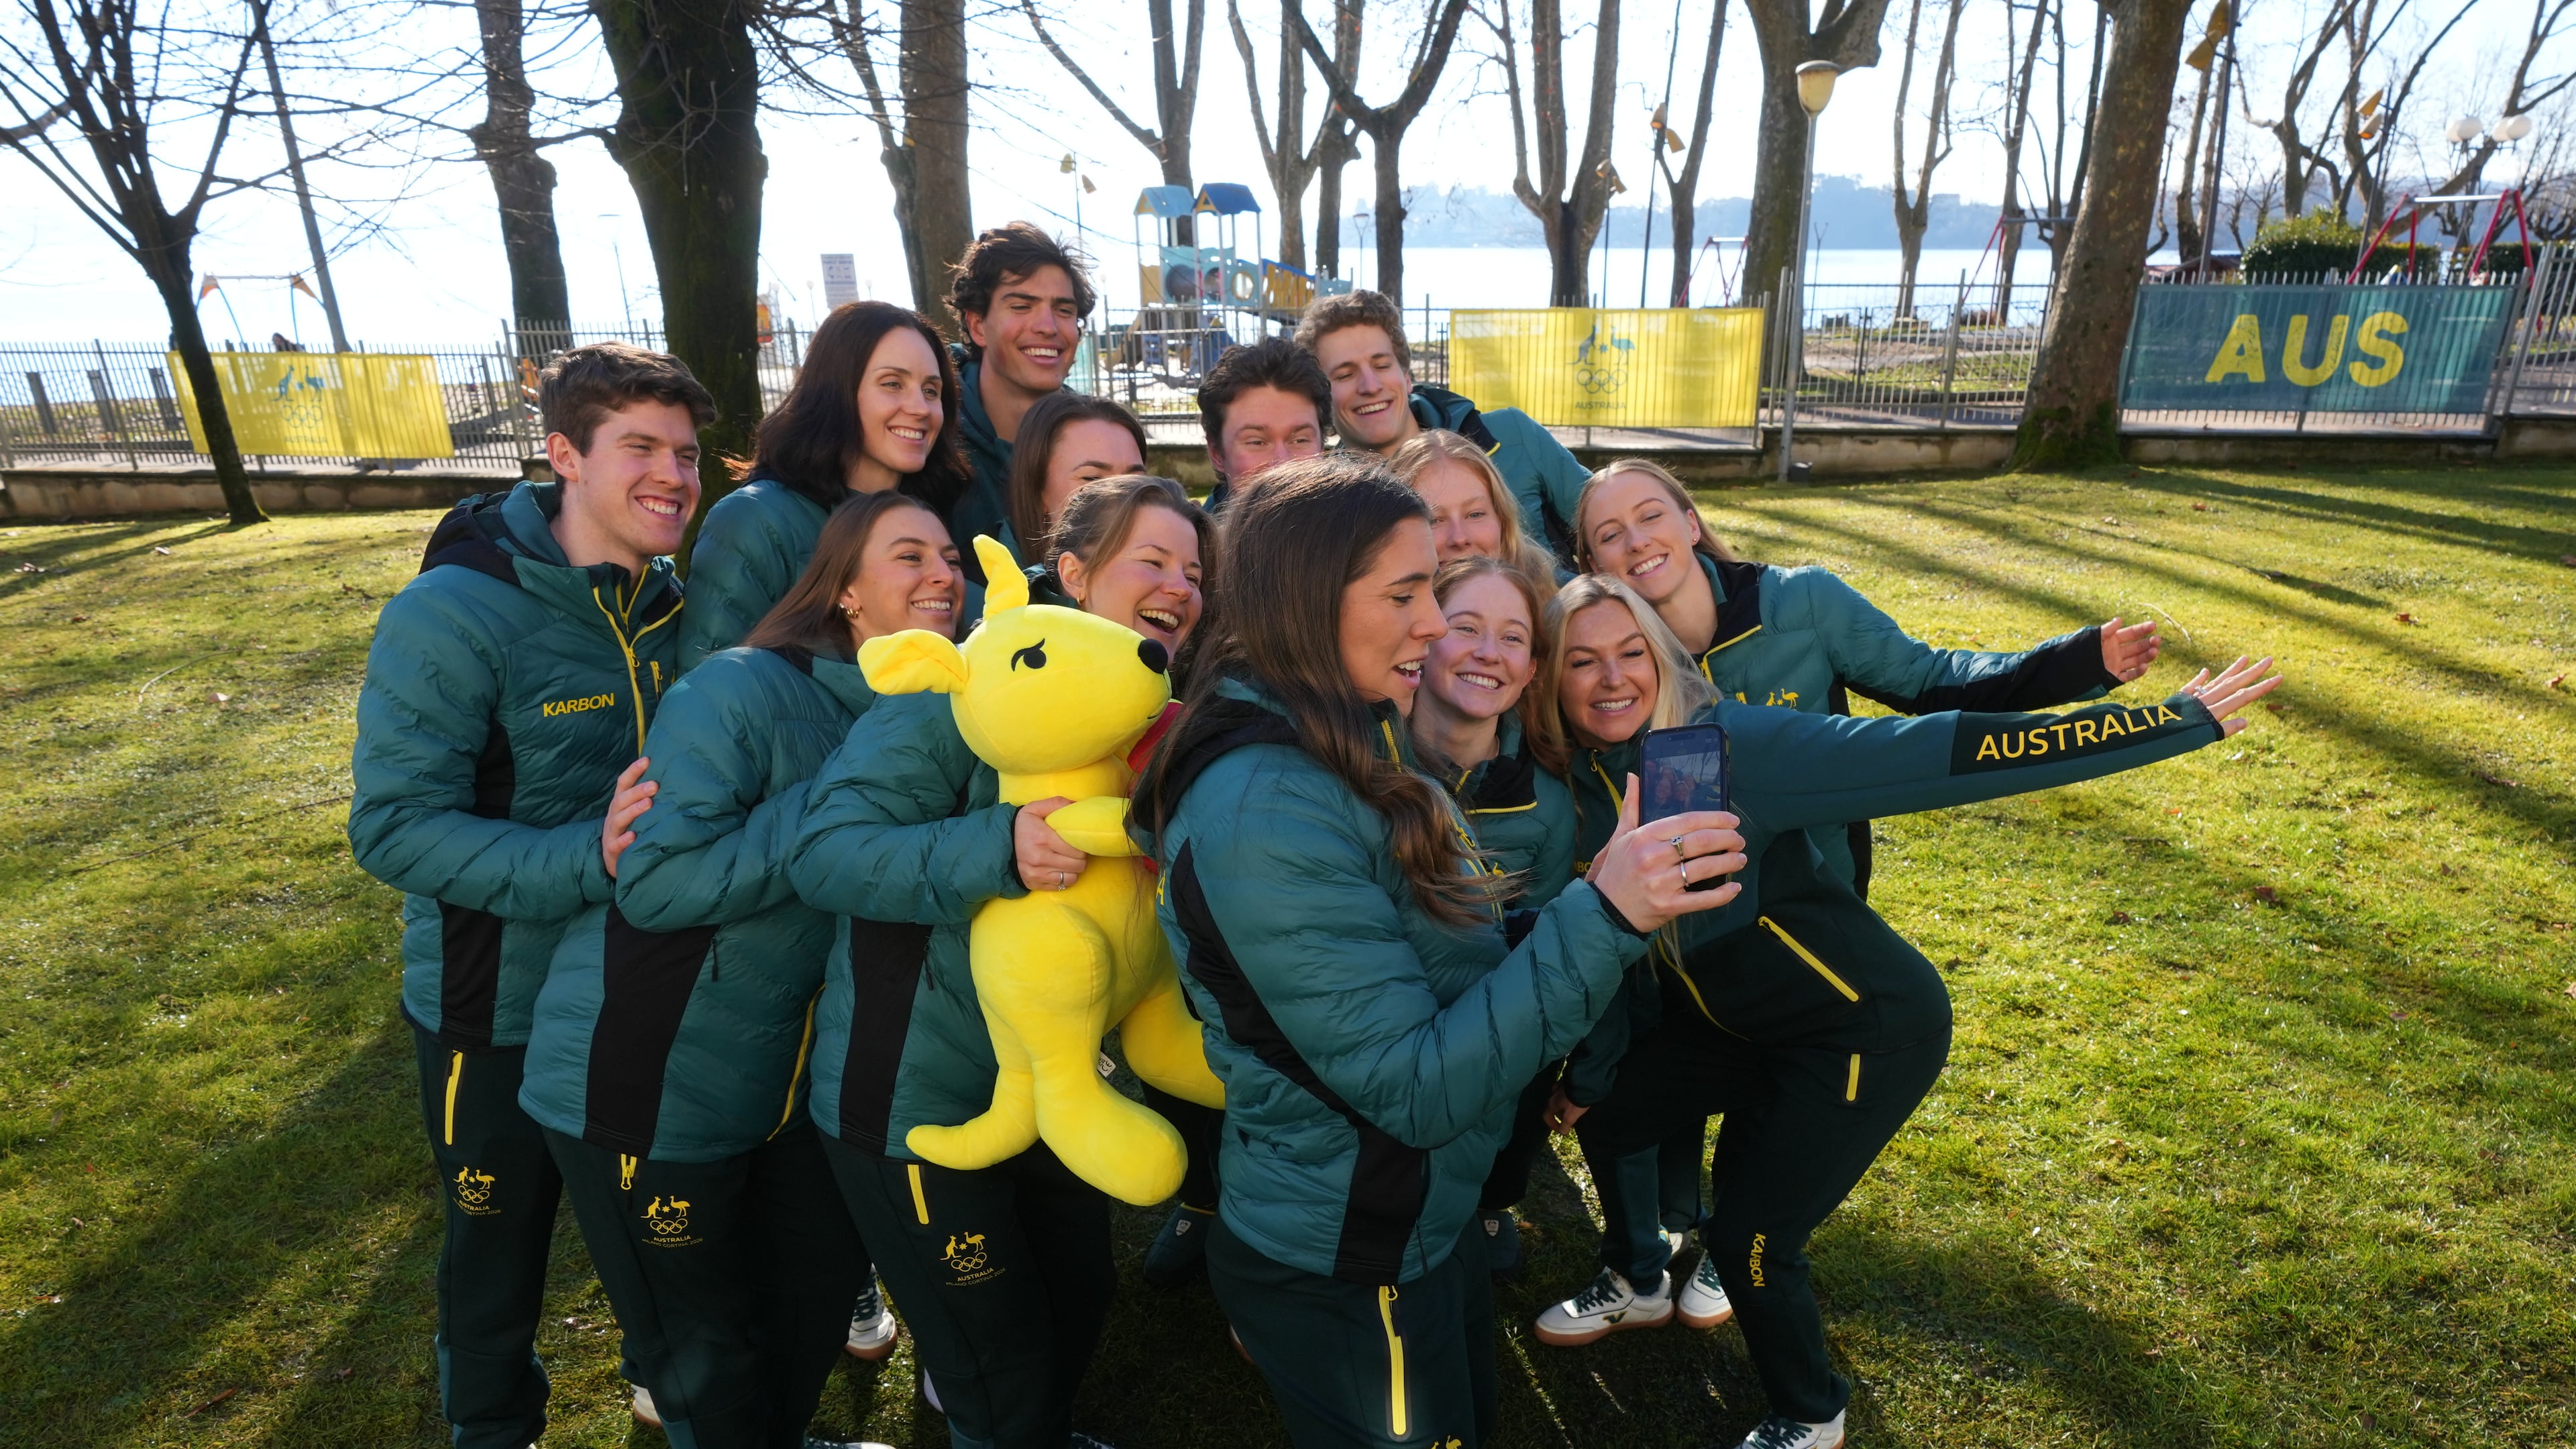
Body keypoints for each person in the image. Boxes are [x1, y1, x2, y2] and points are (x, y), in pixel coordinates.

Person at [1529, 574, 2279, 1449]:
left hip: (1863, 1032)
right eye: (1582, 660)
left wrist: (2171, 723)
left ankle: (1811, 1412)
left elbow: (1938, 751)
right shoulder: (1576, 776)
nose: (1611, 678)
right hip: (1734, 1024)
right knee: (1610, 1114)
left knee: (1752, 1243)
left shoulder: (1729, 748)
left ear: (1662, 659)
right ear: (1551, 678)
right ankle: (1639, 1279)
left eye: (1631, 653)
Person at [1132, 455, 1748, 1449]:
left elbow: (1434, 964)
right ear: (1307, 600)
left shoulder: (1350, 735)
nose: (1433, 623)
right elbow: (1412, 1088)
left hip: (1419, 1220)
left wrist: (1591, 902)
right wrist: (1606, 916)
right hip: (1351, 1252)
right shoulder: (1266, 810)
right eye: (1406, 593)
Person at [1573, 458, 2165, 1256]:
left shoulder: (1800, 604)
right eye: (1609, 534)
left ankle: (1734, 1239)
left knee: (1777, 1071)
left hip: (1810, 909)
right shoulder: (1611, 661)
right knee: (1676, 1060)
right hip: (1679, 930)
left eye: (1651, 515)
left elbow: (1933, 685)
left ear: (1690, 519)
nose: (1637, 541)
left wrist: (2074, 664)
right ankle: (1672, 1231)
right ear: (1590, 564)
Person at [522, 490, 963, 1442]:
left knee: (810, 1308)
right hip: (648, 1077)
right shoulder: (739, 688)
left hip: (796, 1087)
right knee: (705, 1360)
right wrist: (844, 800)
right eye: (910, 556)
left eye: (952, 558)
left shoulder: (933, 715)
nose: (943, 574)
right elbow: (655, 882)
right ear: (843, 590)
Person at [790, 475, 1212, 1449]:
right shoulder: (965, 689)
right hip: (914, 1099)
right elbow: (825, 852)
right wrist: (999, 845)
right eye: (1152, 560)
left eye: (1194, 571)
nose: (1179, 586)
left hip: (1053, 1082)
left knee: (1079, 1292)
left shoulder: (1143, 722)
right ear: (1075, 573)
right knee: (995, 1362)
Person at [348, 342, 712, 1449]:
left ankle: (674, 1396)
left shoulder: (671, 606)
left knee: (664, 1238)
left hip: (639, 993)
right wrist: (584, 858)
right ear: (564, 455)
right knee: (495, 1252)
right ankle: (493, 1426)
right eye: (641, 449)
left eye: (687, 454)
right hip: (492, 1009)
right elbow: (392, 828)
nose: (673, 476)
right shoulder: (453, 613)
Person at [1405, 554, 1578, 1279]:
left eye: (1512, 638)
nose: (1488, 652)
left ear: (1532, 669)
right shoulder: (1364, 761)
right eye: (1466, 627)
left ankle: (1494, 1198)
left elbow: (1554, 941)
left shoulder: (1547, 800)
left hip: (1495, 1017)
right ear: (1421, 636)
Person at [683, 301, 973, 670]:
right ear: (836, 390)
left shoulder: (939, 516)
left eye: (931, 390)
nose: (920, 408)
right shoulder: (754, 520)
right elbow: (707, 685)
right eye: (892, 384)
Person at [1294, 290, 1591, 567]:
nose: (1370, 386)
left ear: (1406, 377)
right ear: (1322, 399)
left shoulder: (1512, 434)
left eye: (1382, 366)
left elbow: (1610, 523)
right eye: (1345, 375)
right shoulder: (1327, 507)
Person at [948, 222, 1097, 574]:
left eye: (1064, 310)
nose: (1048, 326)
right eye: (1021, 306)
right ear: (978, 325)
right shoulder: (932, 438)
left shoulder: (1098, 438)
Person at [1388, 429, 1558, 582]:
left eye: (1475, 515)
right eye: (1434, 520)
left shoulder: (1549, 603)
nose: (1460, 539)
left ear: (1502, 519)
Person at [1000, 390, 1147, 568]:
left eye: (1135, 480)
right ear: (1038, 490)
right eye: (1093, 479)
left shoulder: (1173, 577)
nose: (1124, 497)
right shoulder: (988, 581)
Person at [1195, 335, 1331, 515]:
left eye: (1300, 440)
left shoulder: (1358, 527)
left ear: (1322, 448)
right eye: (1257, 442)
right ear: (1217, 454)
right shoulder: (1191, 533)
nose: (1282, 464)